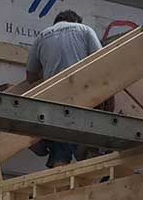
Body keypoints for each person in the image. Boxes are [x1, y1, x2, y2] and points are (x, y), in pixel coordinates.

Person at [25, 9, 102, 167]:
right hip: (82, 95)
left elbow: (30, 76)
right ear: (75, 21)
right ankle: (88, 156)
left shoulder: (42, 36)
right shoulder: (85, 30)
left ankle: (59, 167)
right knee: (87, 137)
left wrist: (49, 68)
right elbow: (101, 61)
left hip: (54, 98)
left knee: (59, 141)